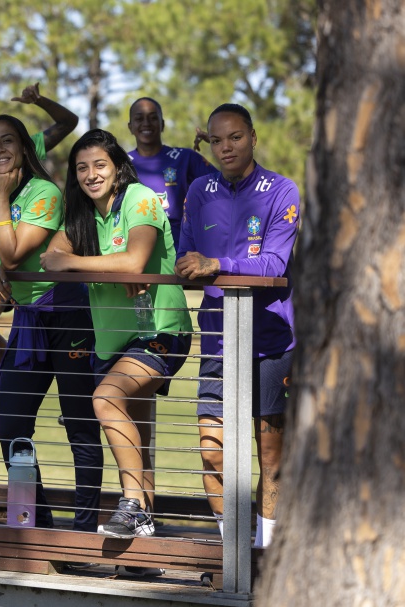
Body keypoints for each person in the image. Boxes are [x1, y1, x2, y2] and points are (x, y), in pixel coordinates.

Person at [40, 130, 192, 580]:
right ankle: (142, 557)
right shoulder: (84, 215)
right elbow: (52, 257)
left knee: (105, 399)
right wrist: (76, 260)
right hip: (113, 341)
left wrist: (80, 263)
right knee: (138, 441)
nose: (91, 175)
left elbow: (135, 261)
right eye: (82, 168)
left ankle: (133, 507)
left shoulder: (140, 198)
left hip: (159, 331)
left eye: (100, 165)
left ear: (117, 167)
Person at [0, 115, 103, 533]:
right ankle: (34, 523)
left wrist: (2, 199)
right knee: (11, 421)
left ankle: (82, 532)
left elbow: (10, 255)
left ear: (25, 147)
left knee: (79, 423)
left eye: (8, 141)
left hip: (68, 314)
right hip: (28, 318)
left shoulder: (45, 191)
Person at [175, 103, 297, 549]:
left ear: (253, 138)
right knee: (212, 450)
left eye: (235, 137)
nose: (226, 147)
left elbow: (273, 263)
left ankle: (268, 553)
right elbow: (183, 256)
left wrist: (216, 265)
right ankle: (234, 554)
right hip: (217, 339)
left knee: (271, 455)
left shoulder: (282, 190)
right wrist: (193, 265)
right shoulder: (197, 191)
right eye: (217, 139)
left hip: (269, 342)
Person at [0, 84, 79, 367]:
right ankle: (12, 369)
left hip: (46, 289)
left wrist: (40, 100)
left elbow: (69, 122)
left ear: (20, 144)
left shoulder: (34, 177)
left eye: (5, 140)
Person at [126, 97, 216, 251]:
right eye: (139, 119)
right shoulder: (121, 164)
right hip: (134, 248)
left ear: (163, 124)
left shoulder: (185, 157)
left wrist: (218, 141)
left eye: (153, 118)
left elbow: (226, 183)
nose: (146, 123)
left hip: (180, 250)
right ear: (130, 127)